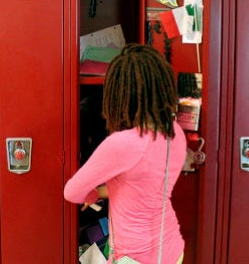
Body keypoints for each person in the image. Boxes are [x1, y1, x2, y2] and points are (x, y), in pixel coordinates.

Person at [64, 43, 186, 263]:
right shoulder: (174, 132)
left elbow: (72, 192)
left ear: (118, 93)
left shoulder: (122, 144)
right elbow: (141, 188)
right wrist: (102, 191)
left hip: (135, 256)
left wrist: (91, 195)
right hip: (171, 249)